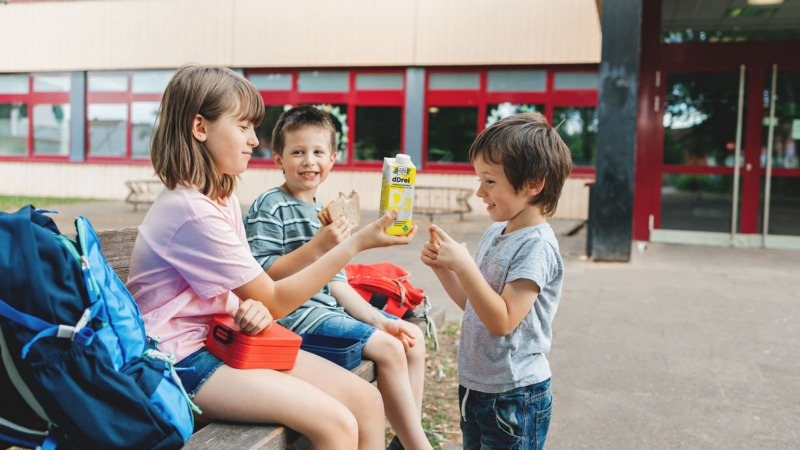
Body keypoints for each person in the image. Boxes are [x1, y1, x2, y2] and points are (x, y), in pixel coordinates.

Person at [126, 65, 418, 450]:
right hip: (178, 361)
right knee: (336, 424)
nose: (253, 140)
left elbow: (254, 293)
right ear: (200, 127)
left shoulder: (220, 197)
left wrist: (251, 307)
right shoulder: (191, 211)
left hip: (224, 337)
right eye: (243, 126)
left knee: (367, 401)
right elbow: (274, 298)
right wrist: (352, 244)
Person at [243, 106, 431, 450]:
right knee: (390, 349)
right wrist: (318, 247)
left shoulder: (324, 211)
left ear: (332, 159)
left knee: (411, 338)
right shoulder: (270, 205)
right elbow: (262, 275)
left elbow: (338, 284)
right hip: (296, 319)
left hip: (329, 314)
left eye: (317, 152)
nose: (308, 161)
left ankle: (405, 442)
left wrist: (381, 320)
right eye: (297, 152)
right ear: (278, 159)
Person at [420, 112, 572, 450]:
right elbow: (476, 307)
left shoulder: (537, 246)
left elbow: (503, 320)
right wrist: (445, 269)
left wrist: (465, 266)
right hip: (479, 386)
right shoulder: (495, 232)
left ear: (533, 184)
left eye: (489, 181)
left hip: (515, 395)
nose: (479, 191)